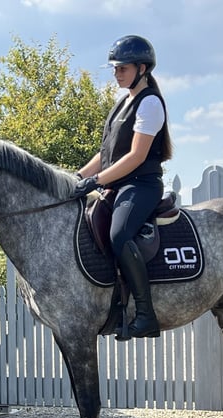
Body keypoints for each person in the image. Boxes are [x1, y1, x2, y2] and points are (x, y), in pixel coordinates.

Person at [74, 35, 173, 339]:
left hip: (141, 185)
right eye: (115, 69)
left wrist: (98, 180)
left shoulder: (150, 103)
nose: (117, 74)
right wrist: (78, 177)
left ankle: (145, 314)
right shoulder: (122, 104)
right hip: (118, 186)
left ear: (142, 69)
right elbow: (106, 155)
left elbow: (136, 156)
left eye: (123, 69)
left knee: (119, 234)